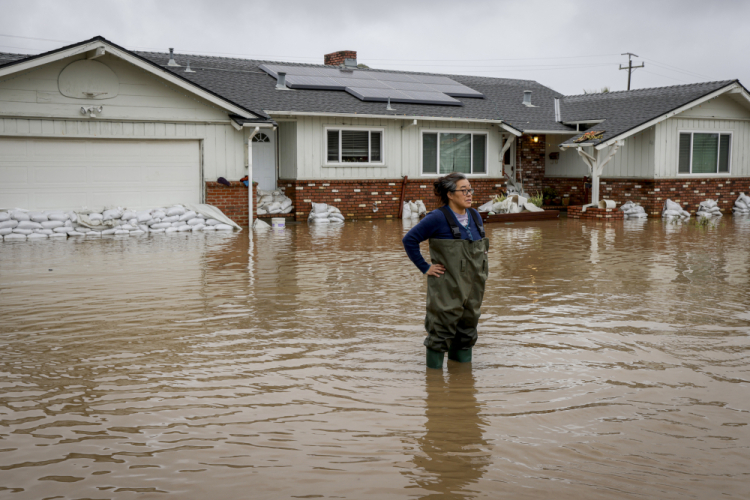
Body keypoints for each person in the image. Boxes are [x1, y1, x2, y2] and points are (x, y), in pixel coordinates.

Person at [402, 172, 489, 369]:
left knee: (467, 331)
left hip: (473, 288)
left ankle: (461, 382)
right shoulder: (437, 218)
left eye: (470, 190)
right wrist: (425, 267)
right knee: (440, 332)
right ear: (450, 194)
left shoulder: (475, 216)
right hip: (446, 287)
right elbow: (409, 240)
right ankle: (434, 384)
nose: (469, 194)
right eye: (464, 190)